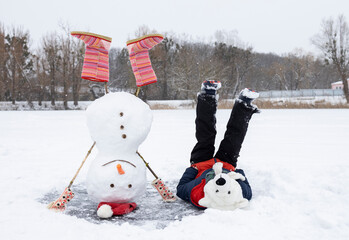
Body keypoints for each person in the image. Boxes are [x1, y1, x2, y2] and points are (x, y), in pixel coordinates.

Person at [176, 80, 259, 210]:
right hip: (226, 164)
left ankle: (207, 94)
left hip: (201, 163)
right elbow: (244, 184)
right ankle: (244, 104)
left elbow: (181, 189)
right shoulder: (241, 196)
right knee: (235, 138)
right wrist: (235, 172)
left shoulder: (199, 196)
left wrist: (194, 170)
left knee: (206, 133)